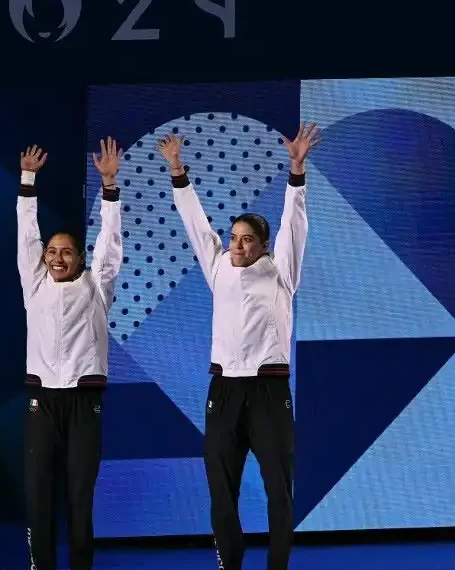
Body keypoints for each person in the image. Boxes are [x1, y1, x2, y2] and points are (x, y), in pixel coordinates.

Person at [157, 123, 321, 570]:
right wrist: (177, 169)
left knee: (277, 490)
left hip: (269, 393)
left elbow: (294, 224)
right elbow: (195, 222)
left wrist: (296, 171)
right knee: (221, 490)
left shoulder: (281, 271)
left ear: (263, 245)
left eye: (247, 239)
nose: (237, 245)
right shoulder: (218, 267)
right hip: (225, 391)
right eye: (233, 237)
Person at [17, 139, 123, 570]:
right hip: (43, 403)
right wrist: (28, 181)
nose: (57, 257)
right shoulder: (35, 285)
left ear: (80, 257)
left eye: (66, 252)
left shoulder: (97, 288)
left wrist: (110, 183)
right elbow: (27, 234)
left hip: (83, 402)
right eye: (51, 252)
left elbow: (111, 248)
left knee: (80, 495)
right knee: (39, 493)